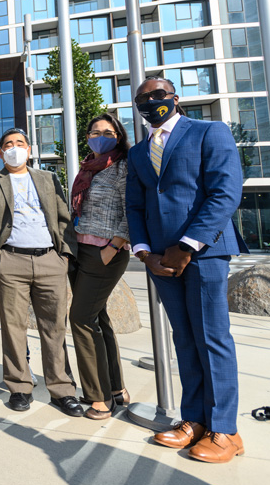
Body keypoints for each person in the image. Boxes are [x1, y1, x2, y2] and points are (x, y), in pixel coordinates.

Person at [126, 77, 246, 463]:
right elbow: (136, 206)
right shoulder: (139, 152)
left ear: (175, 98)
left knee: (212, 339)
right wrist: (145, 254)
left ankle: (225, 429)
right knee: (185, 340)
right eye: (142, 98)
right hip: (161, 262)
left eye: (158, 94)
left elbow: (226, 191)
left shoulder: (210, 132)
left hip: (204, 253)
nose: (150, 101)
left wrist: (187, 245)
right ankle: (193, 420)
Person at [0, 128, 83, 416]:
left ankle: (62, 389)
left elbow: (62, 216)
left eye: (19, 143)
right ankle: (19, 386)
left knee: (55, 327)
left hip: (50, 260)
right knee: (13, 327)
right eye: (8, 144)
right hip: (10, 263)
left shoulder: (48, 178)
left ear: (29, 149)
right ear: (1, 153)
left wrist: (65, 255)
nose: (14, 148)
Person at [67, 113, 131, 420]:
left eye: (107, 131)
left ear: (118, 136)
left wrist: (114, 245)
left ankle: (99, 397)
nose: (100, 136)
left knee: (80, 318)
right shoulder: (86, 168)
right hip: (83, 250)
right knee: (98, 318)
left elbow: (133, 209)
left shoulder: (122, 166)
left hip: (105, 252)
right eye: (94, 132)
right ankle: (116, 387)